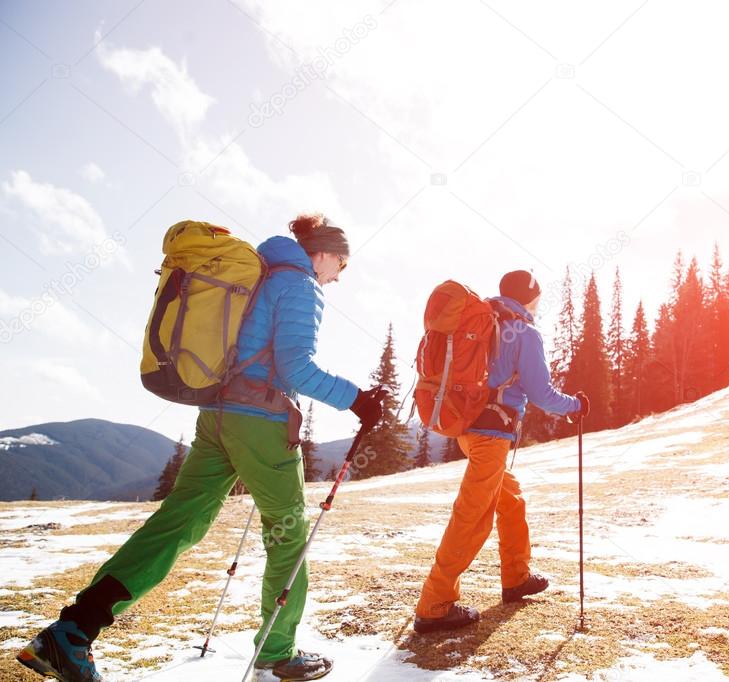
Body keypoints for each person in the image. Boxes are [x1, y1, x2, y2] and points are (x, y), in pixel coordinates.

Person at [17, 214, 386, 682]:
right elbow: (296, 369)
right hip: (261, 422)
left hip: (217, 415)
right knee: (287, 534)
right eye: (342, 262)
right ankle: (277, 653)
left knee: (178, 523)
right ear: (323, 252)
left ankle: (74, 630)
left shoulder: (258, 273)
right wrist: (358, 400)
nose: (339, 275)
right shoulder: (300, 284)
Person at [413, 270, 590, 634]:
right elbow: (541, 394)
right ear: (530, 297)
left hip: (468, 428)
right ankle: (434, 605)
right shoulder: (523, 331)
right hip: (491, 434)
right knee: (472, 517)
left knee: (510, 502)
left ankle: (517, 577)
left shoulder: (487, 322)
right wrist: (576, 406)